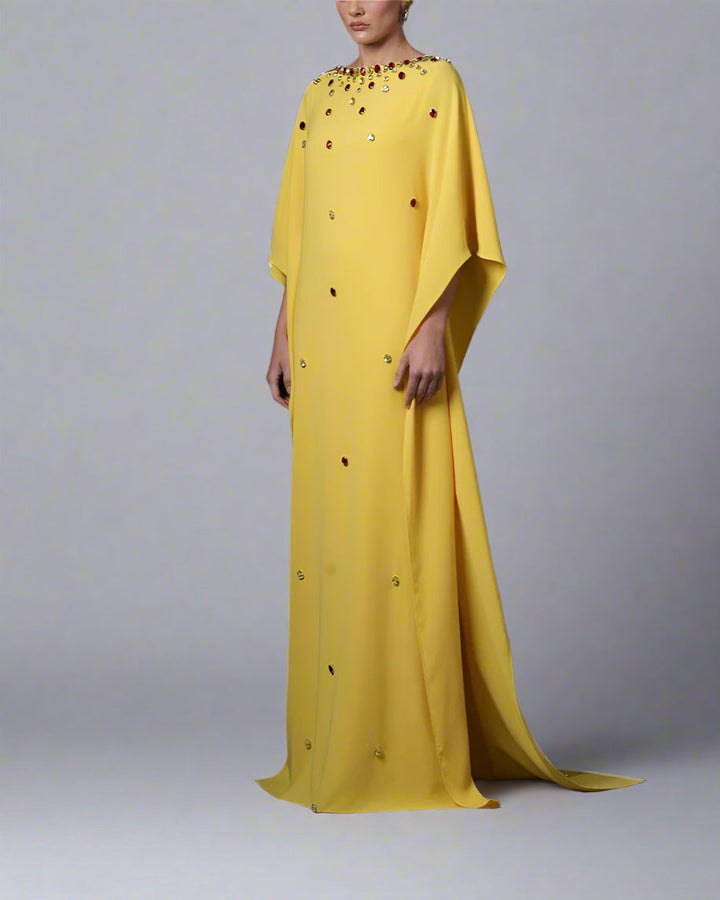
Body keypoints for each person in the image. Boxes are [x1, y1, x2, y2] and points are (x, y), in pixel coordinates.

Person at [258, 0, 642, 813]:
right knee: (335, 525)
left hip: (393, 337)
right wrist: (283, 331)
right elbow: (300, 228)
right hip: (325, 345)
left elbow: (453, 216)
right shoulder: (317, 94)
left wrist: (433, 325)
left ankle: (406, 743)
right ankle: (336, 740)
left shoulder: (437, 85)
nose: (354, 6)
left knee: (398, 518)